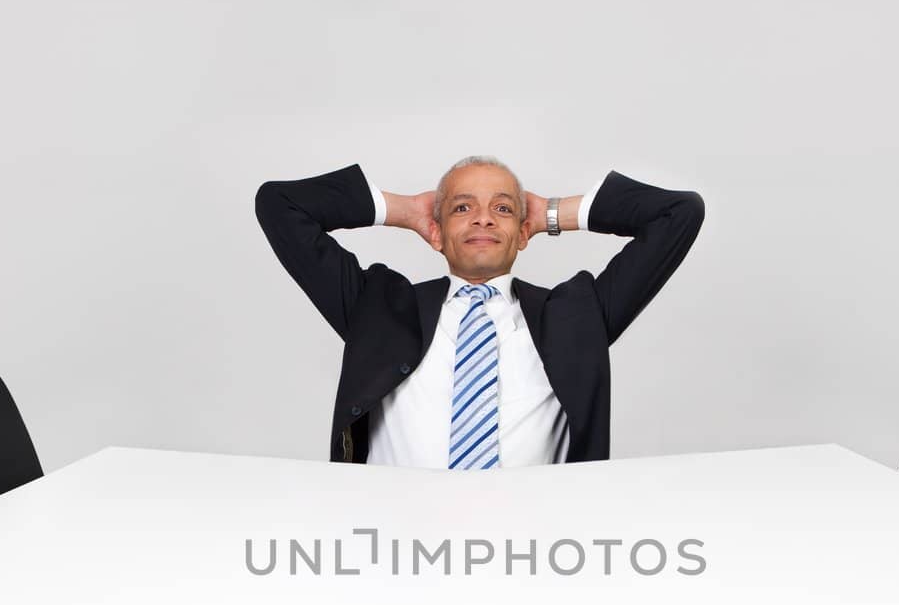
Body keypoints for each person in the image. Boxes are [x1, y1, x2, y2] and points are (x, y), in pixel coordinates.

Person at [255, 157, 703, 467]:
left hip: (536, 545)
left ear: (523, 231)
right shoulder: (376, 307)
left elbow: (679, 213)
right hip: (392, 541)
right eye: (462, 207)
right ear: (437, 231)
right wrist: (406, 210)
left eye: (504, 209)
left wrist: (548, 213)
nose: (484, 219)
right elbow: (280, 204)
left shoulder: (577, 316)